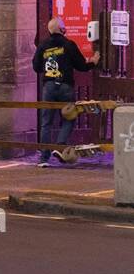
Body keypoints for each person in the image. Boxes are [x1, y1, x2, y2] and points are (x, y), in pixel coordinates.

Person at [32, 17, 100, 166]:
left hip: (49, 87)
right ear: (61, 29)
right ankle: (61, 144)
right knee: (69, 117)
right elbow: (81, 65)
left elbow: (36, 67)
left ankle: (44, 158)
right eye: (63, 26)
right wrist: (93, 62)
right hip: (65, 86)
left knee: (46, 122)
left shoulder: (43, 46)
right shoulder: (68, 44)